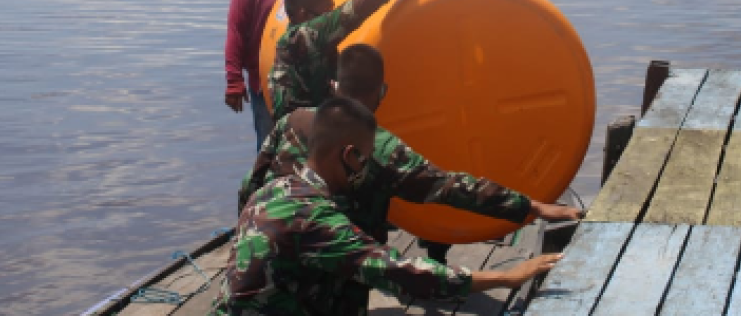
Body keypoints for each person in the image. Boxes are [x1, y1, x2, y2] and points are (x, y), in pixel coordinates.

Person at [240, 45, 580, 312]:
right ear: (382, 91)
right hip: (340, 276)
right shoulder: (380, 151)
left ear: (334, 83)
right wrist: (528, 214)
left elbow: (250, 185)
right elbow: (451, 191)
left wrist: (248, 252)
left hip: (285, 268)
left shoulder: (291, 125)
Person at [210, 97, 561, 315]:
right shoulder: (314, 218)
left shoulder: (271, 191)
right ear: (349, 155)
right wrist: (507, 277)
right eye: (364, 158)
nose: (366, 167)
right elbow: (400, 272)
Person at [268, 0, 431, 122]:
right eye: (326, 13)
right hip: (302, 138)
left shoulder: (303, 42)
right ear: (302, 13)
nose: (330, 16)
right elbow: (361, 6)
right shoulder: (304, 35)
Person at [226, 0, 308, 148]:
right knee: (269, 145)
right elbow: (236, 32)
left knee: (301, 146)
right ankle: (264, 183)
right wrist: (234, 81)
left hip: (303, 83)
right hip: (264, 83)